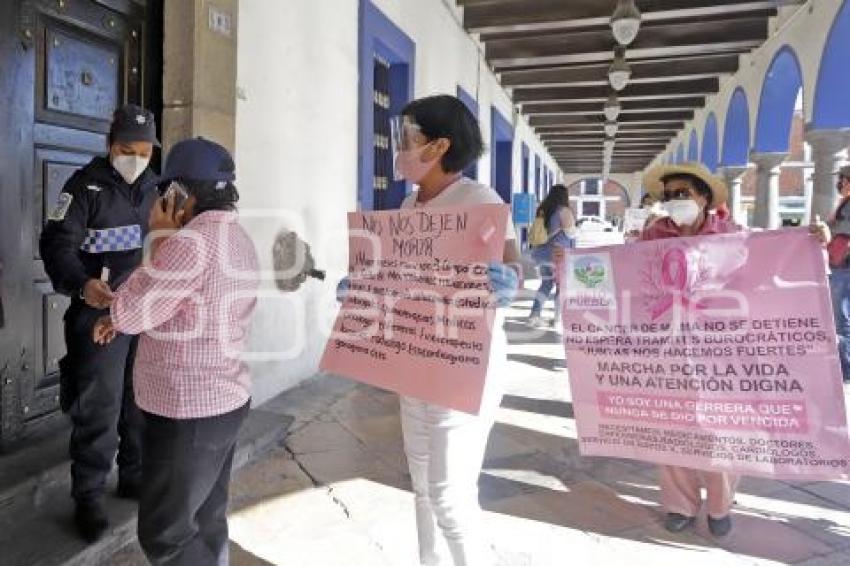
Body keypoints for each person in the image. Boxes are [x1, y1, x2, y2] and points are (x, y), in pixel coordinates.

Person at [341, 94, 519, 565]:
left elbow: (512, 261)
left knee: (449, 495)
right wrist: (362, 291)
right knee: (422, 487)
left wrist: (510, 281)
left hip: (463, 367)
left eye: (407, 138)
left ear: (439, 146)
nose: (398, 147)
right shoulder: (406, 204)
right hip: (416, 361)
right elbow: (401, 276)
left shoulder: (479, 201)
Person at [93, 138, 260, 564]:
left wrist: (160, 243)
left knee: (165, 536)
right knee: (207, 519)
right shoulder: (238, 238)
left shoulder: (186, 246)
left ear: (180, 195)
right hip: (226, 400)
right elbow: (176, 306)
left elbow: (129, 312)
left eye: (165, 193)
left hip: (187, 411)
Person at [39, 104, 159, 542]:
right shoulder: (83, 186)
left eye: (145, 151)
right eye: (127, 149)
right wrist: (81, 284)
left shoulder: (155, 188)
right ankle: (88, 497)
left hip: (142, 311)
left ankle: (134, 475)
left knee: (138, 397)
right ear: (110, 146)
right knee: (99, 405)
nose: (136, 159)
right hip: (98, 311)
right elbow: (55, 244)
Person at [641, 163, 742, 537]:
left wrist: (813, 240)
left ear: (704, 196)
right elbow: (623, 272)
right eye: (668, 196)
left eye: (682, 193)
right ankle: (679, 504)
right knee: (671, 425)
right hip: (668, 347)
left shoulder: (732, 234)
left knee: (721, 429)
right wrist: (570, 265)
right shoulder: (653, 235)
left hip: (720, 349)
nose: (674, 201)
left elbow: (773, 261)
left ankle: (720, 505)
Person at [528, 184, 575, 327]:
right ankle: (557, 319)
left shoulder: (543, 210)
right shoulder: (564, 211)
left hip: (541, 253)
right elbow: (570, 233)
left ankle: (534, 316)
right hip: (558, 255)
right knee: (561, 287)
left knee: (546, 284)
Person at [826, 164, 850, 382]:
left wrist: (827, 229)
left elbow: (845, 228)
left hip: (845, 266)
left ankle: (846, 369)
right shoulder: (845, 203)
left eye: (842, 179)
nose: (839, 183)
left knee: (842, 319)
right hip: (841, 265)